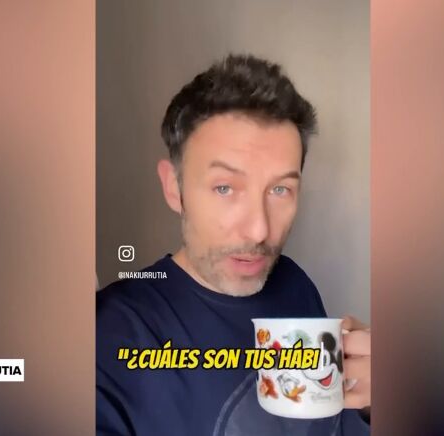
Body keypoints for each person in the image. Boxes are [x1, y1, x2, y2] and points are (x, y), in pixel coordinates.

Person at [96, 54, 371, 435]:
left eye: (280, 190)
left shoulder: (294, 283)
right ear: (174, 188)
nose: (259, 231)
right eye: (225, 188)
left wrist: (369, 405)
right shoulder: (108, 337)